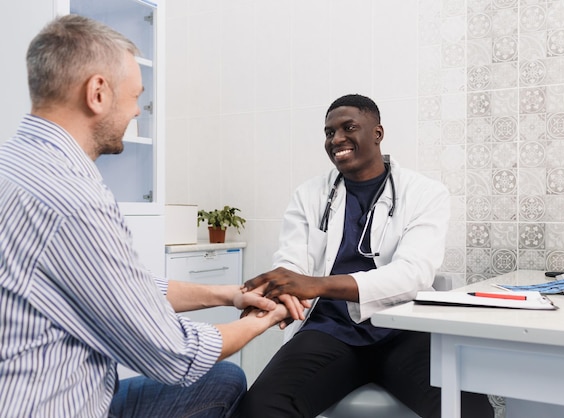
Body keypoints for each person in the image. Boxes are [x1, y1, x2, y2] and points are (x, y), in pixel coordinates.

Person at [0, 15, 306, 418]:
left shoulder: (16, 163)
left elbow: (127, 289)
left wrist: (229, 294)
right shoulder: (73, 200)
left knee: (224, 380)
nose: (136, 113)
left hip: (44, 386)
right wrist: (267, 318)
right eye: (135, 97)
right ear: (97, 93)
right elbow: (174, 354)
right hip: (55, 405)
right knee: (220, 377)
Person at [236, 94, 495, 418]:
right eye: (330, 132)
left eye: (348, 128)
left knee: (469, 410)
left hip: (405, 331)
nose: (337, 139)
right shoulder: (309, 195)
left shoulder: (425, 193)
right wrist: (275, 295)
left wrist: (317, 285)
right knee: (260, 406)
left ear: (377, 133)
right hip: (330, 331)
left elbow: (413, 273)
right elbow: (292, 264)